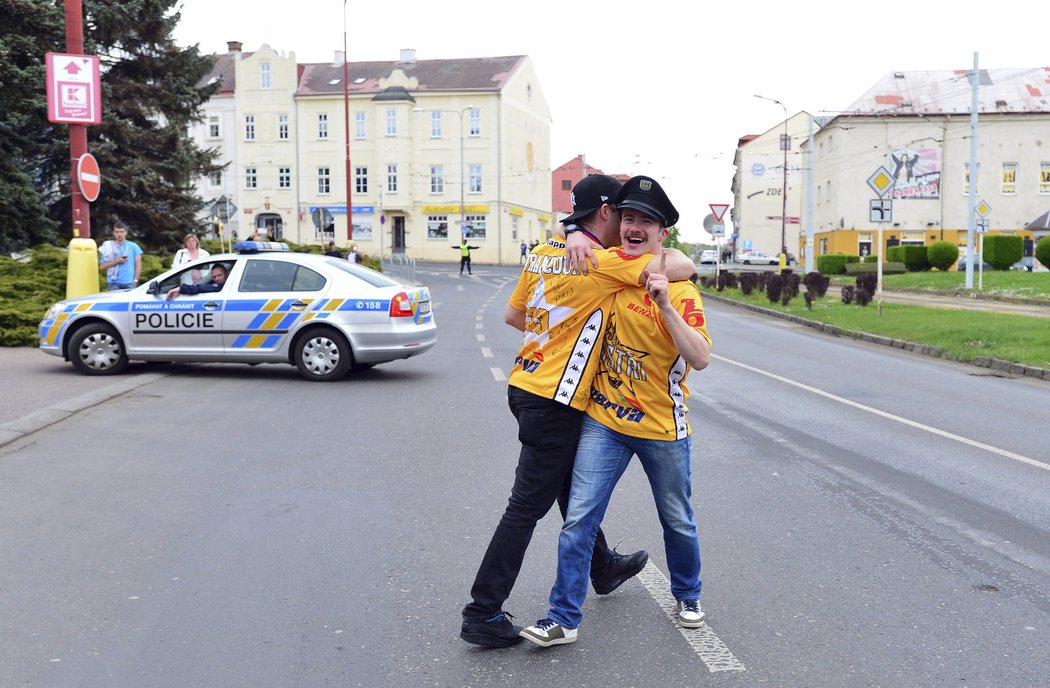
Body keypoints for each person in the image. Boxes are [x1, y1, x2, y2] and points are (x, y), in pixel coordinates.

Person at [459, 174, 697, 648]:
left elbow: (513, 316)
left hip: (525, 383)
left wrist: (558, 323)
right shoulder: (603, 263)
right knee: (525, 507)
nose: (627, 226)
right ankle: (482, 612)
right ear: (606, 213)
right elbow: (678, 266)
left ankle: (603, 566)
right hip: (558, 398)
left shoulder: (544, 252)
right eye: (623, 215)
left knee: (571, 487)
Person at [520, 176, 712, 648]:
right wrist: (571, 234)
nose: (634, 227)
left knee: (677, 519)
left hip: (662, 427)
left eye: (645, 221)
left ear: (661, 232)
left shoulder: (682, 289)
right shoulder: (607, 276)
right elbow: (569, 259)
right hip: (604, 422)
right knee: (579, 519)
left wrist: (666, 306)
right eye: (628, 218)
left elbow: (701, 358)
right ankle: (562, 617)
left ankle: (688, 594)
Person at [99, 221, 143, 290]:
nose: (119, 234)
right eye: (117, 232)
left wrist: (135, 280)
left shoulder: (133, 246)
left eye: (121, 232)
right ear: (113, 233)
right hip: (113, 282)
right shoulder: (108, 247)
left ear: (126, 232)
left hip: (129, 282)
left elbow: (138, 265)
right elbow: (102, 267)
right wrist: (117, 261)